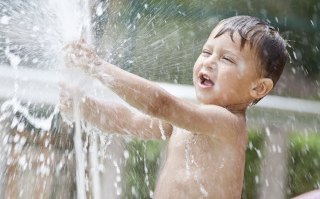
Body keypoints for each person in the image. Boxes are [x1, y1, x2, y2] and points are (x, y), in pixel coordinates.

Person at [59, 15, 288, 198]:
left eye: (226, 59)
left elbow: (160, 105)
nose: (209, 61)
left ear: (258, 89)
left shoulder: (229, 125)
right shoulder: (189, 119)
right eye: (207, 52)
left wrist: (97, 66)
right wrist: (86, 107)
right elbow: (132, 121)